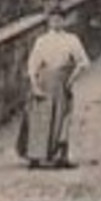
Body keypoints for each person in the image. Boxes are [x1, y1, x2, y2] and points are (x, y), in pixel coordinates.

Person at [18, 11, 90, 169]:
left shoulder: (71, 39)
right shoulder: (42, 40)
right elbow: (32, 65)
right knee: (39, 119)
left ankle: (61, 157)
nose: (56, 22)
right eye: (53, 20)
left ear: (64, 20)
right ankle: (34, 157)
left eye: (59, 19)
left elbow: (83, 62)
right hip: (43, 82)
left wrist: (71, 79)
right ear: (49, 22)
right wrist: (35, 85)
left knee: (63, 119)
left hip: (62, 83)